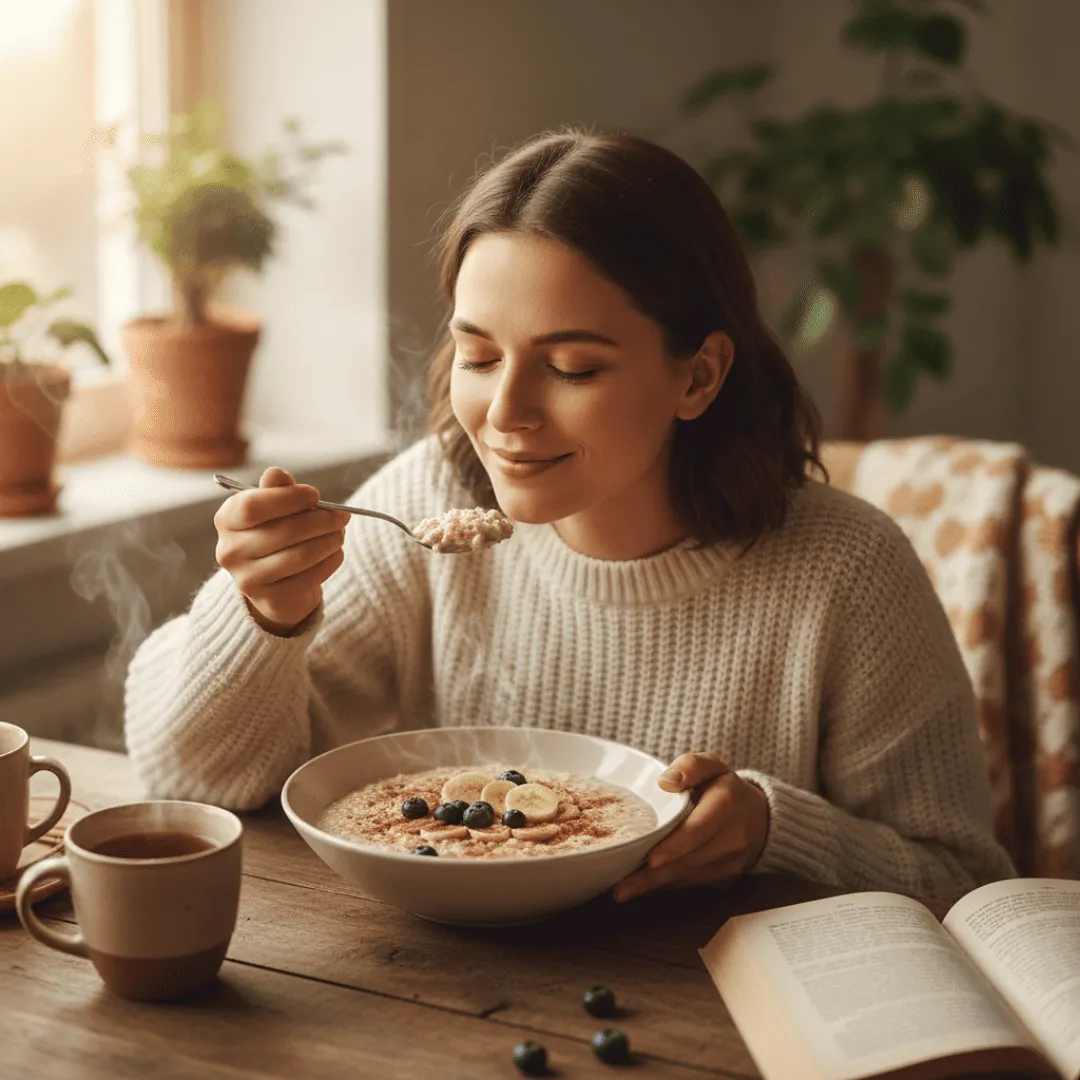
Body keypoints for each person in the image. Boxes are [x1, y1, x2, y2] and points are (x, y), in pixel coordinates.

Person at [125, 127, 1015, 907]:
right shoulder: (427, 501)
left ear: (698, 376)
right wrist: (261, 615)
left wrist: (775, 833)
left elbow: (964, 882)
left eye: (573, 368)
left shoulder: (846, 570)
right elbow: (189, 784)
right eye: (478, 355)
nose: (505, 413)